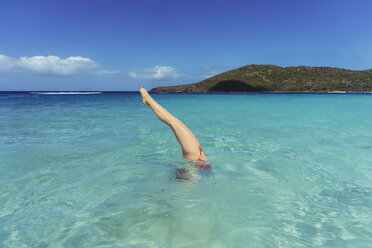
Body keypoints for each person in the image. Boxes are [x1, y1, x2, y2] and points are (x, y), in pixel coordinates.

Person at [140, 87, 210, 178]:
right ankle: (149, 102)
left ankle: (149, 101)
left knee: (173, 122)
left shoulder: (191, 176)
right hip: (197, 160)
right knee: (174, 122)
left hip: (195, 161)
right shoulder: (192, 175)